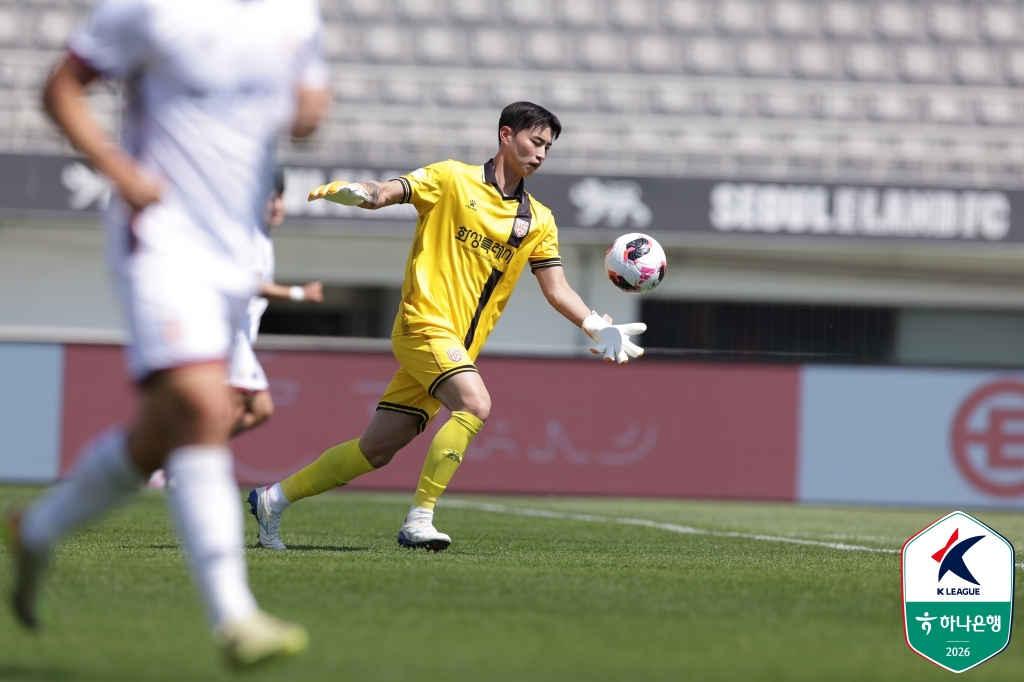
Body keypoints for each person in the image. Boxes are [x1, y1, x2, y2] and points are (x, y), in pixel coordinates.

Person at [6, 0, 329, 667]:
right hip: (158, 237)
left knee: (158, 436)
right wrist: (117, 169)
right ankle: (235, 619)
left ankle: (36, 531)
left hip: (231, 251)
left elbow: (307, 118)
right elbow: (61, 85)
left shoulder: (294, 13)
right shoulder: (150, 8)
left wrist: (305, 101)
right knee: (207, 406)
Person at [247, 102, 646, 553]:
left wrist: (595, 324)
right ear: (505, 135)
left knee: (375, 450)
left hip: (456, 347)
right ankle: (420, 519)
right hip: (423, 323)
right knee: (475, 403)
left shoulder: (539, 220)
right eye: (536, 142)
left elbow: (557, 289)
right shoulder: (451, 178)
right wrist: (360, 193)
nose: (541, 155)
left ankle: (272, 499)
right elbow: (387, 190)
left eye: (548, 148)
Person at [146, 170, 324, 490]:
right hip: (231, 338)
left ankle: (174, 462)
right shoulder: (251, 235)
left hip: (237, 337)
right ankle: (177, 466)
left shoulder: (262, 238)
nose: (276, 205)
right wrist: (301, 293)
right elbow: (250, 284)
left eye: (280, 197)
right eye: (269, 198)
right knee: (243, 408)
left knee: (255, 409)